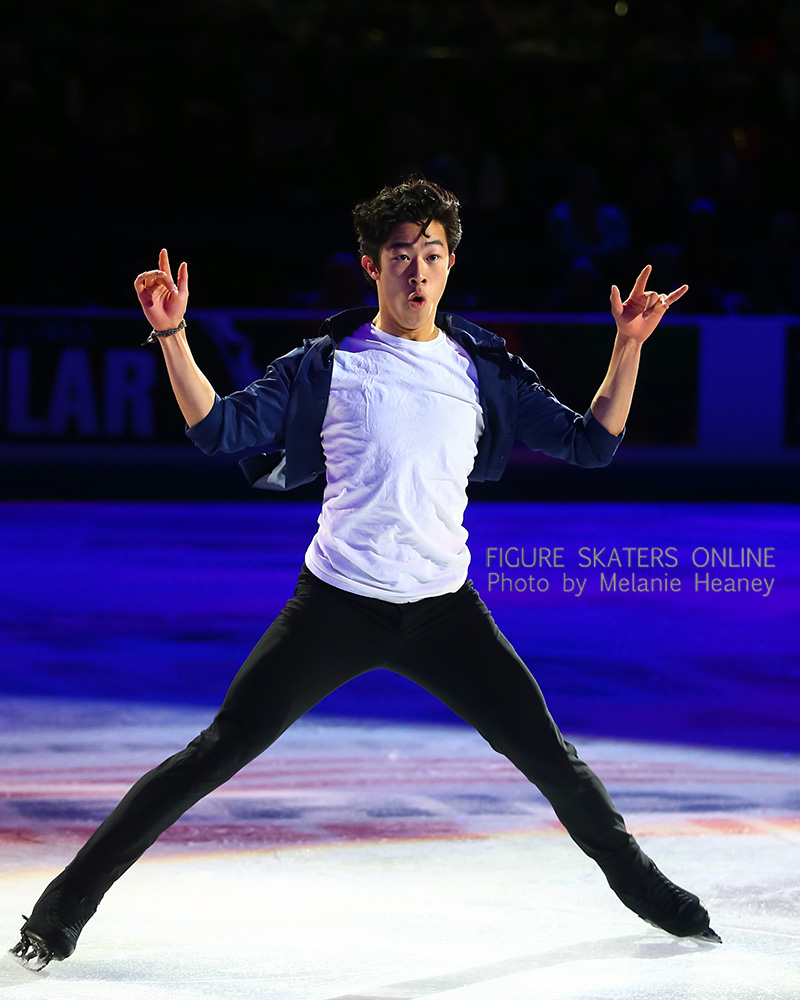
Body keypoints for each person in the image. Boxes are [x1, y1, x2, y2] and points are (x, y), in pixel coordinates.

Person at [10, 177, 719, 972]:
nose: (418, 271)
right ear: (371, 266)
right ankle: (60, 911)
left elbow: (591, 444)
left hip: (445, 612)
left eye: (432, 255)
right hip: (337, 605)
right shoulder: (327, 365)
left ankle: (653, 895)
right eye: (401, 255)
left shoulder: (483, 367)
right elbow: (218, 429)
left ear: (450, 266)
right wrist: (172, 335)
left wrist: (628, 347)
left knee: (552, 758)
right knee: (217, 750)